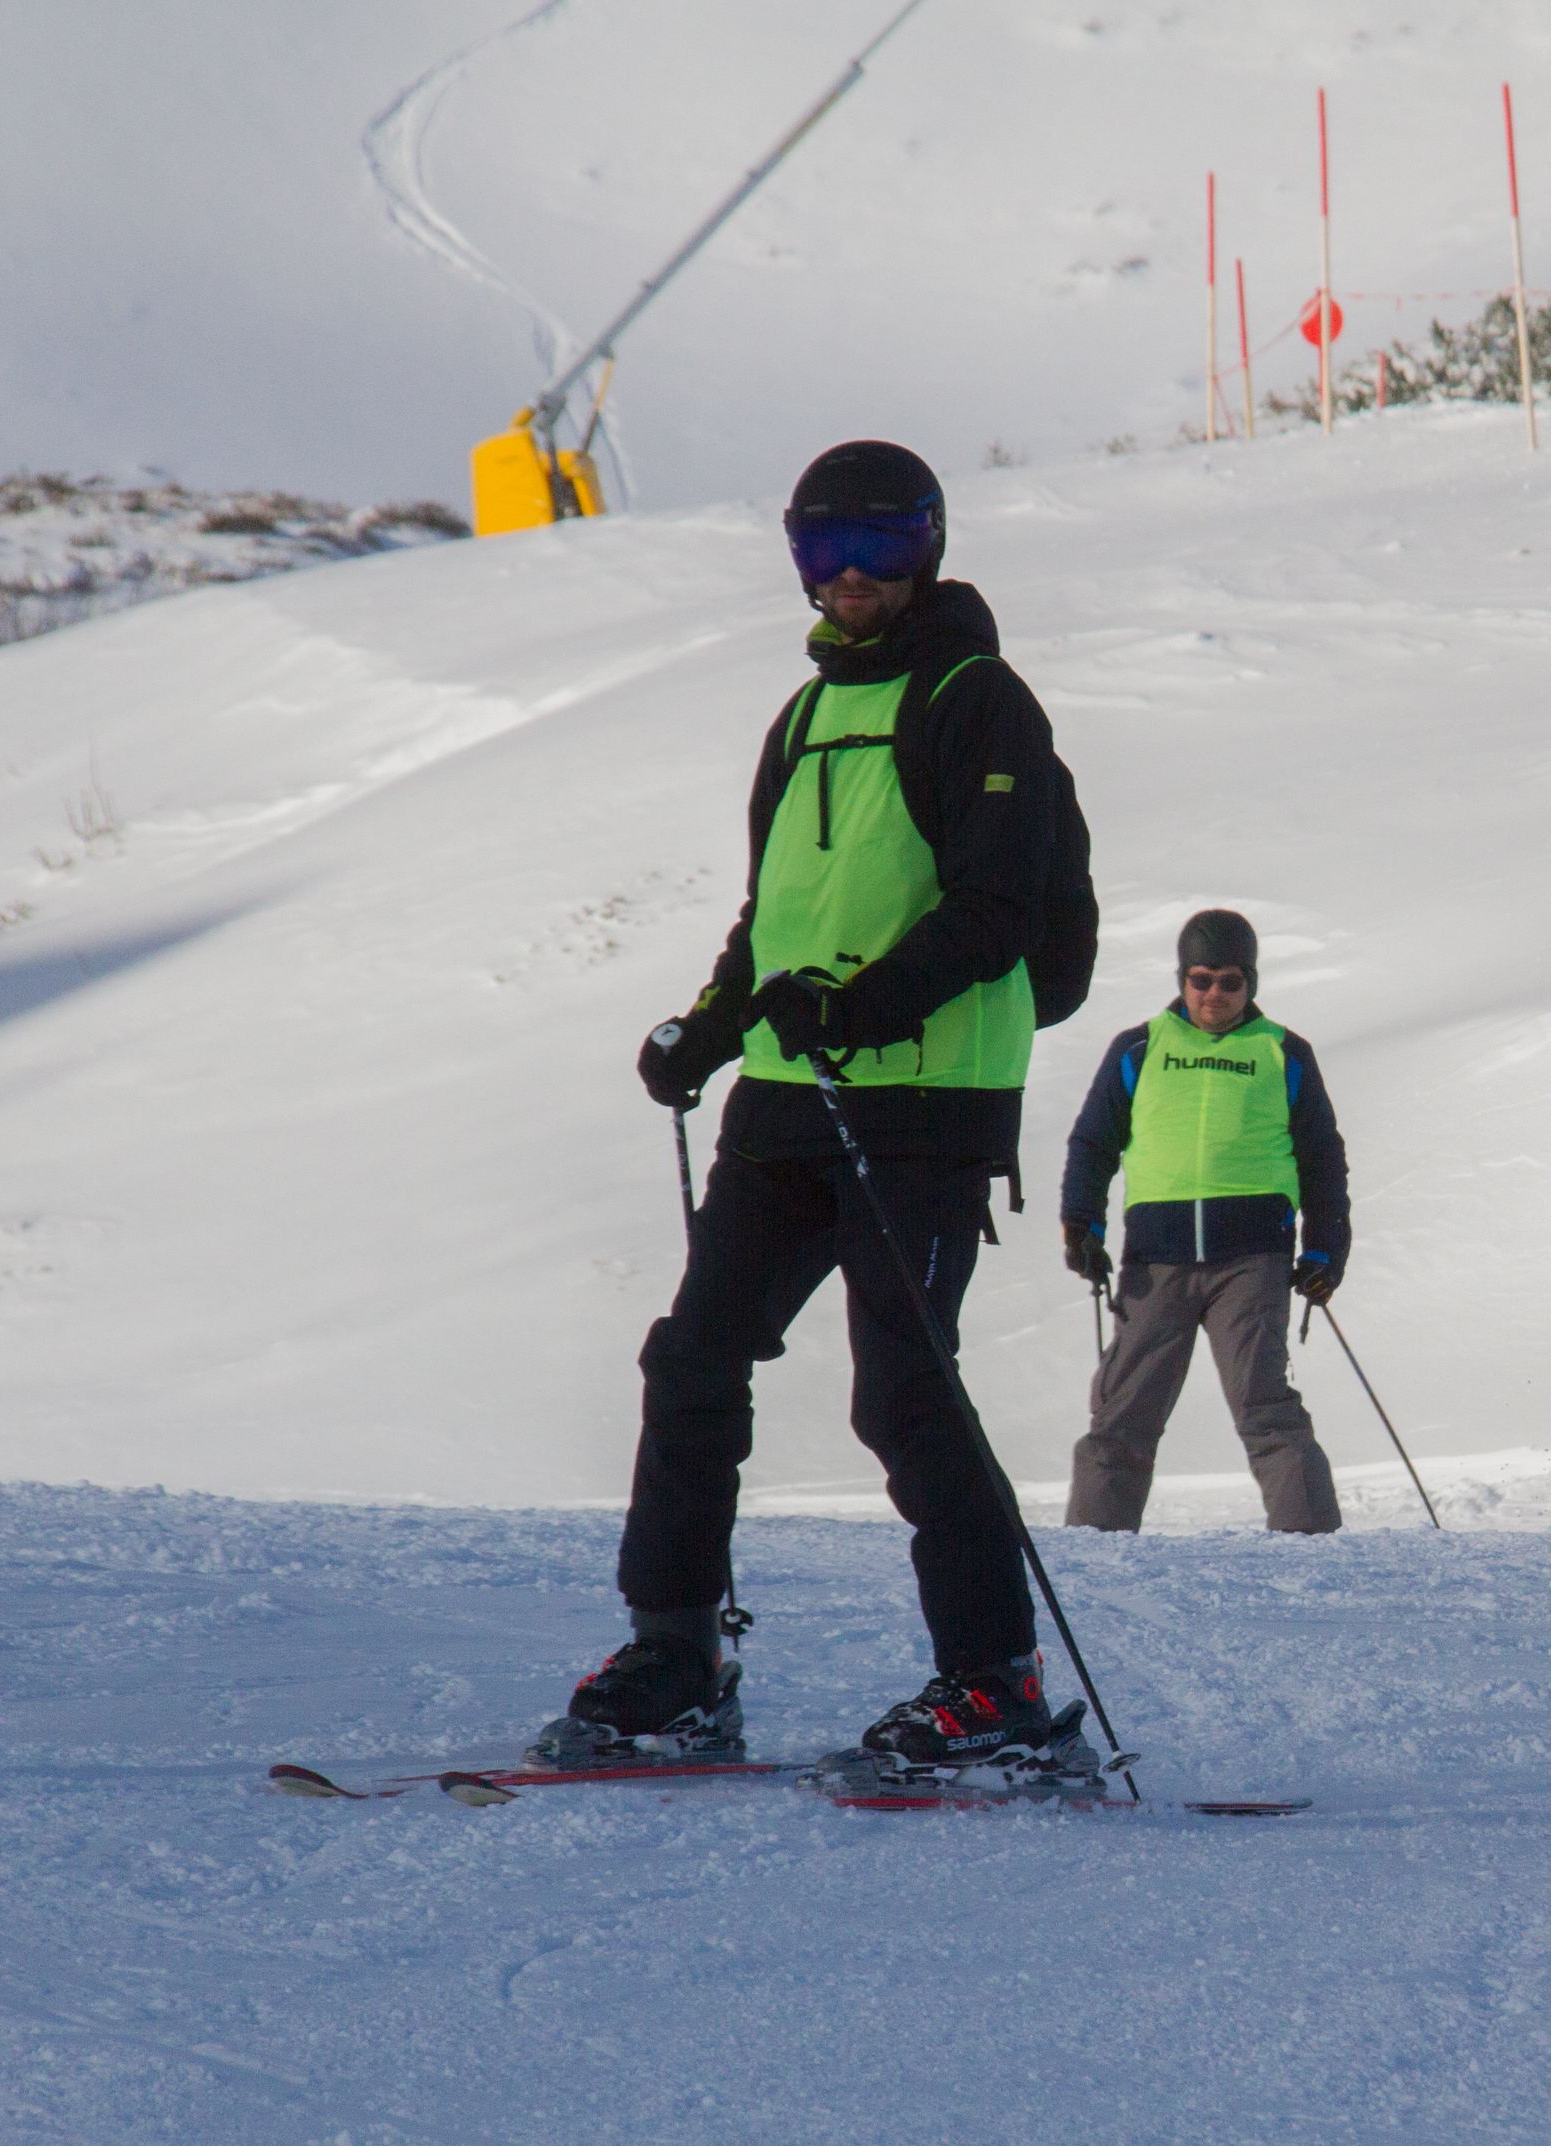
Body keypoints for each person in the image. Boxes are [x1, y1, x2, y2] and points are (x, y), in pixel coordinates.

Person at [542, 439, 1072, 1768]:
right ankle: (677, 1656)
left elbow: (999, 909)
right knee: (692, 1363)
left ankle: (995, 1687)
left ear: (927, 551)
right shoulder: (800, 718)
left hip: (927, 1102)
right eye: (821, 550)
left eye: (877, 549)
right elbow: (774, 918)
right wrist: (709, 1031)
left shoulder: (977, 700)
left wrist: (863, 1007)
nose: (849, 576)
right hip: (788, 1101)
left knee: (903, 1394)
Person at [1058, 909, 1350, 1534]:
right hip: (1155, 1261)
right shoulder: (1139, 1048)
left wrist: (1326, 1250)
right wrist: (1082, 1227)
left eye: (1230, 981)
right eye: (1201, 979)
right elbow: (1093, 1144)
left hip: (1252, 1261)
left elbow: (1322, 1160)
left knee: (1264, 1405)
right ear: (1182, 979)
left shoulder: (1282, 1052)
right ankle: (1094, 1551)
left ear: (1251, 983)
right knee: (1123, 1412)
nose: (1214, 993)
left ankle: (1313, 1547)